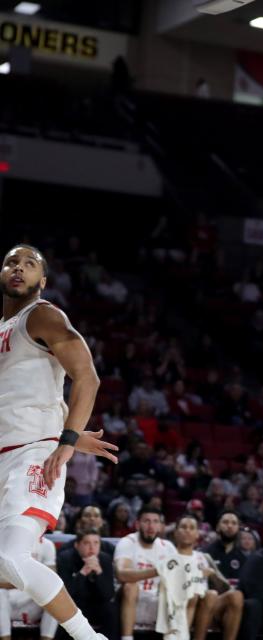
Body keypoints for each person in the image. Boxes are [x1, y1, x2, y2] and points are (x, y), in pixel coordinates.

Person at [0, 245, 120, 640]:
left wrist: (65, 441)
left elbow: (87, 377)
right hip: (8, 451)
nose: (18, 268)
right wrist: (59, 425)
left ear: (43, 281)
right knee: (7, 568)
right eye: (11, 263)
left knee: (11, 557)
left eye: (29, 264)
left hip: (34, 456)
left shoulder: (42, 315)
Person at [174, 514, 244, 640]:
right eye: (184, 527)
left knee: (235, 595)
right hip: (184, 600)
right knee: (209, 595)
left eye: (192, 528)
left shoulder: (204, 557)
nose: (188, 531)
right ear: (175, 533)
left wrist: (213, 575)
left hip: (207, 603)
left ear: (197, 534)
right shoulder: (169, 554)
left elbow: (226, 587)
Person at [114, 507, 176, 640]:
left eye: (155, 521)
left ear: (160, 526)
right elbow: (121, 573)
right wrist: (157, 570)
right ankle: (127, 638)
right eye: (146, 521)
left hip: (157, 600)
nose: (151, 526)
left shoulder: (168, 547)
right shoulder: (128, 542)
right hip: (128, 600)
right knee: (131, 586)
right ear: (137, 524)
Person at [56, 531, 118, 640]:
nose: (92, 547)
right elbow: (66, 593)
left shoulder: (105, 559)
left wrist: (99, 572)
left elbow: (108, 594)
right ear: (77, 545)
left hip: (97, 604)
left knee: (111, 610)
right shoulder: (65, 558)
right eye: (86, 543)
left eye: (96, 543)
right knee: (67, 612)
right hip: (74, 603)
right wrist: (83, 572)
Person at [0, 534, 57, 640]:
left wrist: (17, 582)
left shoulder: (47, 545)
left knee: (54, 594)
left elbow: (50, 580)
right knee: (0, 593)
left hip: (34, 601)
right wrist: (29, 581)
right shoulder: (3, 542)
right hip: (8, 603)